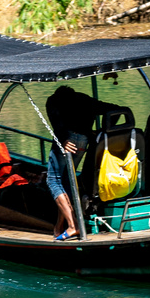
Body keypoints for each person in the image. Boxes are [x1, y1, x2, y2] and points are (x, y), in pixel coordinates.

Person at [41, 85, 100, 240]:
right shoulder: (84, 100)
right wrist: (94, 133)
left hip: (67, 140)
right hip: (83, 141)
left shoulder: (53, 101)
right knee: (66, 182)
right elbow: (109, 108)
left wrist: (62, 139)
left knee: (53, 180)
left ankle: (73, 225)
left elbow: (57, 121)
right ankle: (59, 227)